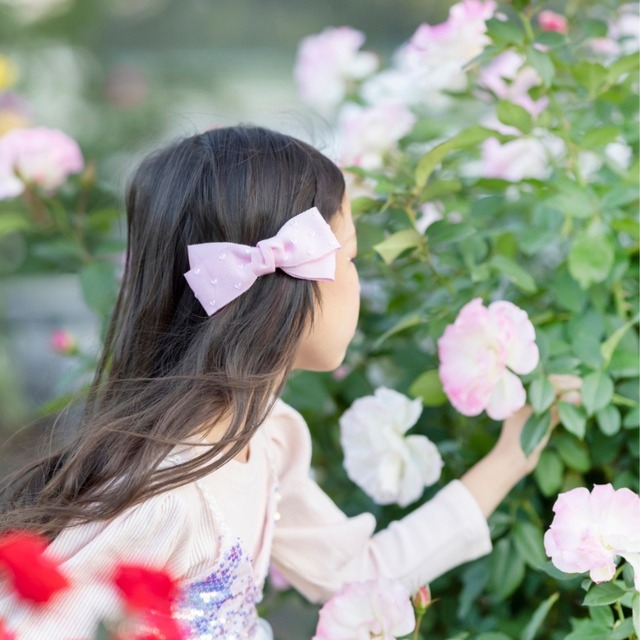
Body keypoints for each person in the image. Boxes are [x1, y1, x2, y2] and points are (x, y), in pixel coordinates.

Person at [0, 126, 543, 639]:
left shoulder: (267, 436)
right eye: (350, 257)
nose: (359, 279)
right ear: (282, 284)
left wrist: (511, 458)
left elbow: (356, 577)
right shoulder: (170, 499)